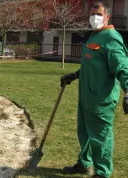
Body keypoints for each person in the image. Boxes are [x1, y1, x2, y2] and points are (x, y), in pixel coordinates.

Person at [60, 1, 128, 178]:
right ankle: (85, 163)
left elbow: (123, 67)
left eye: (98, 14)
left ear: (107, 16)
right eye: (92, 14)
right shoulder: (94, 36)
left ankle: (103, 173)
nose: (94, 18)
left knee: (101, 137)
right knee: (84, 133)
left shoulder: (111, 38)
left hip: (101, 100)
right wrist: (75, 75)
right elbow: (93, 66)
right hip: (86, 96)